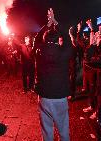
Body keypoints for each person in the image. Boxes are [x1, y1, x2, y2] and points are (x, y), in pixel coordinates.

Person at [34, 8, 73, 141]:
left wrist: (48, 24)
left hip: (44, 96)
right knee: (63, 129)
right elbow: (68, 41)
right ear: (58, 40)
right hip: (60, 96)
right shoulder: (64, 53)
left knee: (47, 130)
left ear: (45, 40)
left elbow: (36, 40)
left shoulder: (39, 51)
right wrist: (56, 23)